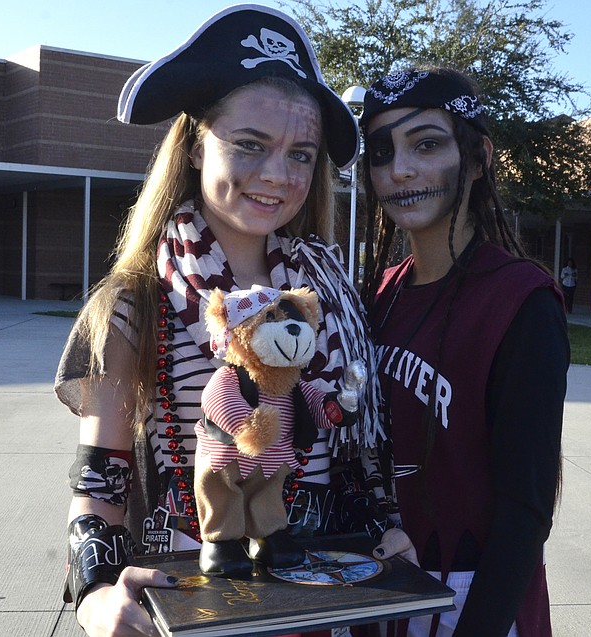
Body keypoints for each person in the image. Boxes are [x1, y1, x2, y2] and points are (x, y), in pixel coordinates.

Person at [54, 6, 404, 637]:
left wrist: (387, 528)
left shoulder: (331, 296)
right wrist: (95, 593)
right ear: (193, 146)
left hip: (324, 595)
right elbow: (99, 479)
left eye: (301, 154)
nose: (278, 174)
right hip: (195, 596)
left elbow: (353, 446)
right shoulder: (133, 301)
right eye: (250, 144)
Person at [358, 67, 569, 637]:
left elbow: (525, 510)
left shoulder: (521, 301)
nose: (400, 170)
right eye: (382, 151)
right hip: (372, 590)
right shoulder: (374, 297)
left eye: (426, 144)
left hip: (472, 599)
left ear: (478, 158)